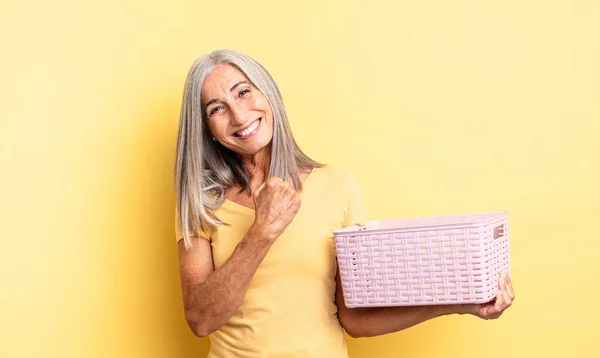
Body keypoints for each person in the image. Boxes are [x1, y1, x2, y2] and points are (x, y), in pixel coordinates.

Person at [174, 49, 515, 358]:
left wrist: (460, 304)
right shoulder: (200, 204)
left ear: (268, 95)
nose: (238, 114)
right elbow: (201, 320)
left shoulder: (337, 186)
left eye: (244, 91)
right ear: (208, 130)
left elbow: (354, 318)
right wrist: (263, 231)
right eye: (216, 108)